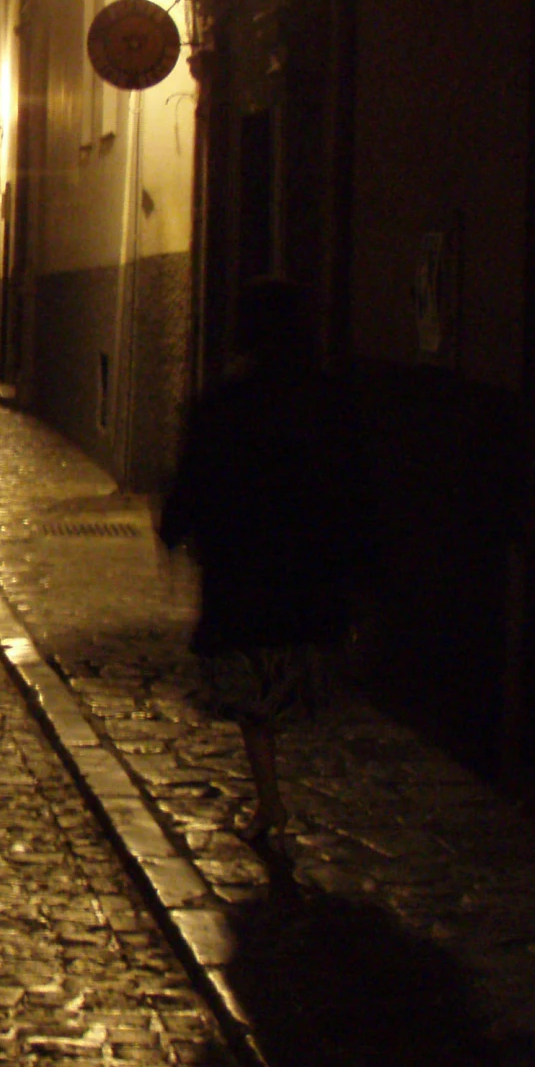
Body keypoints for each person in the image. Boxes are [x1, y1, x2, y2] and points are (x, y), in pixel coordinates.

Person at [158, 279, 371, 845]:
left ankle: (271, 798)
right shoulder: (330, 402)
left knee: (253, 697)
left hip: (245, 575)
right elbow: (358, 486)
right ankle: (283, 798)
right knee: (299, 681)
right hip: (309, 574)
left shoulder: (224, 408)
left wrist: (173, 529)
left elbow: (194, 481)